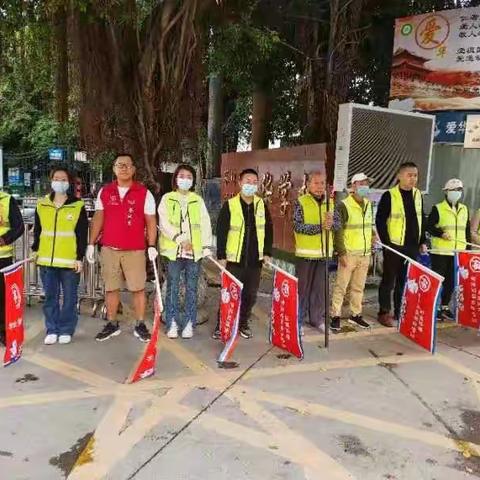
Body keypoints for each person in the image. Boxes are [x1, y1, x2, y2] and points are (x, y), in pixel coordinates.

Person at [87, 154, 158, 343]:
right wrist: (91, 244)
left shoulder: (144, 193)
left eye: (128, 165)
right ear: (114, 169)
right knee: (111, 288)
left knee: (138, 288)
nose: (124, 168)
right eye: (120, 165)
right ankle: (112, 324)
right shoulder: (105, 192)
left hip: (135, 250)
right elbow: (98, 218)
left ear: (134, 169)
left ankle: (140, 324)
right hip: (109, 248)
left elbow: (151, 221)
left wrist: (151, 245)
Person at [213, 168, 273, 339]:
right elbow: (222, 231)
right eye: (247, 181)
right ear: (240, 183)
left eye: (254, 182)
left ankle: (243, 323)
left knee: (250, 295)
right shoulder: (230, 205)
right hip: (234, 260)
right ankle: (221, 324)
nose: (251, 185)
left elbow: (268, 230)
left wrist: (267, 252)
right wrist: (221, 255)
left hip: (255, 261)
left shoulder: (261, 205)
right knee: (228, 294)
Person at [31, 167, 88, 345]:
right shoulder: (42, 204)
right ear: (51, 181)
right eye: (56, 178)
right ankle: (52, 328)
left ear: (69, 182)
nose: (60, 182)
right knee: (50, 297)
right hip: (46, 260)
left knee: (70, 298)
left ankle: (66, 329)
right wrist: (35, 250)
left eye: (63, 179)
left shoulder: (78, 205)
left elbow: (81, 235)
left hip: (69, 262)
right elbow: (38, 231)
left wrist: (80, 258)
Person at [159, 164, 212, 339]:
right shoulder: (167, 198)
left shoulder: (198, 200)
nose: (185, 179)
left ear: (193, 181)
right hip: (174, 251)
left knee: (192, 288)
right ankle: (172, 322)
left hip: (194, 252)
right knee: (173, 287)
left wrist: (205, 247)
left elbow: (205, 224)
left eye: (189, 177)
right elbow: (164, 222)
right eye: (182, 176)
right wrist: (180, 239)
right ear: (175, 178)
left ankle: (190, 322)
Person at [376, 162, 427, 327]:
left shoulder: (418, 195)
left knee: (405, 281)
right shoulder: (389, 195)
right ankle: (384, 312)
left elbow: (421, 218)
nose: (413, 179)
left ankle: (400, 311)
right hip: (394, 245)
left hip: (412, 246)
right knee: (389, 280)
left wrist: (422, 241)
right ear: (399, 176)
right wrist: (386, 243)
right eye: (409, 175)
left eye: (415, 176)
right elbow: (380, 221)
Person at [294, 171, 338, 333]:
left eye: (322, 183)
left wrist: (332, 223)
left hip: (324, 253)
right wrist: (320, 227)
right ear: (308, 184)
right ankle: (298, 320)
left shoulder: (331, 203)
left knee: (319, 289)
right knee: (302, 289)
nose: (320, 187)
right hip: (305, 254)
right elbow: (298, 226)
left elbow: (338, 225)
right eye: (316, 183)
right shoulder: (301, 202)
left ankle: (316, 319)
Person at [330, 173, 374, 332]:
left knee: (358, 287)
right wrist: (341, 252)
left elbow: (368, 226)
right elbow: (338, 230)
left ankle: (355, 314)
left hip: (365, 253)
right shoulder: (343, 205)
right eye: (361, 183)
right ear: (353, 186)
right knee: (341, 286)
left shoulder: (369, 204)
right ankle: (335, 315)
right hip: (349, 253)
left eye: (366, 183)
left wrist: (373, 236)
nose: (364, 186)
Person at [427, 178, 470, 321]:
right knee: (439, 281)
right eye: (453, 190)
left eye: (459, 190)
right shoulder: (438, 208)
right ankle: (435, 307)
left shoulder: (464, 209)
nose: (457, 193)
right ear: (446, 192)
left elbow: (467, 231)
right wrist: (441, 233)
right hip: (441, 252)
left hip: (458, 253)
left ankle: (445, 307)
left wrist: (467, 249)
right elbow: (429, 227)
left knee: (451, 282)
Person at [0, 189, 25, 346]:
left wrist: (5, 239)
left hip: (2, 258)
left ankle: (3, 331)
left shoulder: (7, 200)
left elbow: (19, 226)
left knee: (3, 298)